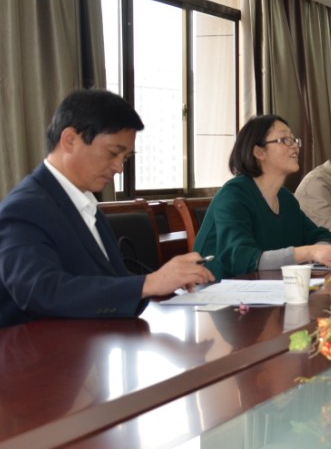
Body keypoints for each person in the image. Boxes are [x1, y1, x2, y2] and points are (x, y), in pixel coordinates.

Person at [0, 89, 214, 327]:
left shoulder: (84, 203)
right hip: (38, 349)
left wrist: (164, 281)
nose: (119, 168)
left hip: (90, 342)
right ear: (70, 140)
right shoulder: (23, 209)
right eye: (113, 153)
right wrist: (149, 283)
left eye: (125, 158)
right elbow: (41, 291)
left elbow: (111, 280)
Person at [194, 115, 331, 279]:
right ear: (259, 152)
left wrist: (322, 251)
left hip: (264, 286)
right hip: (216, 289)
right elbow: (240, 257)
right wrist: (308, 252)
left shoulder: (285, 198)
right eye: (285, 140)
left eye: (294, 140)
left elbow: (321, 235)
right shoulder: (234, 194)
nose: (295, 146)